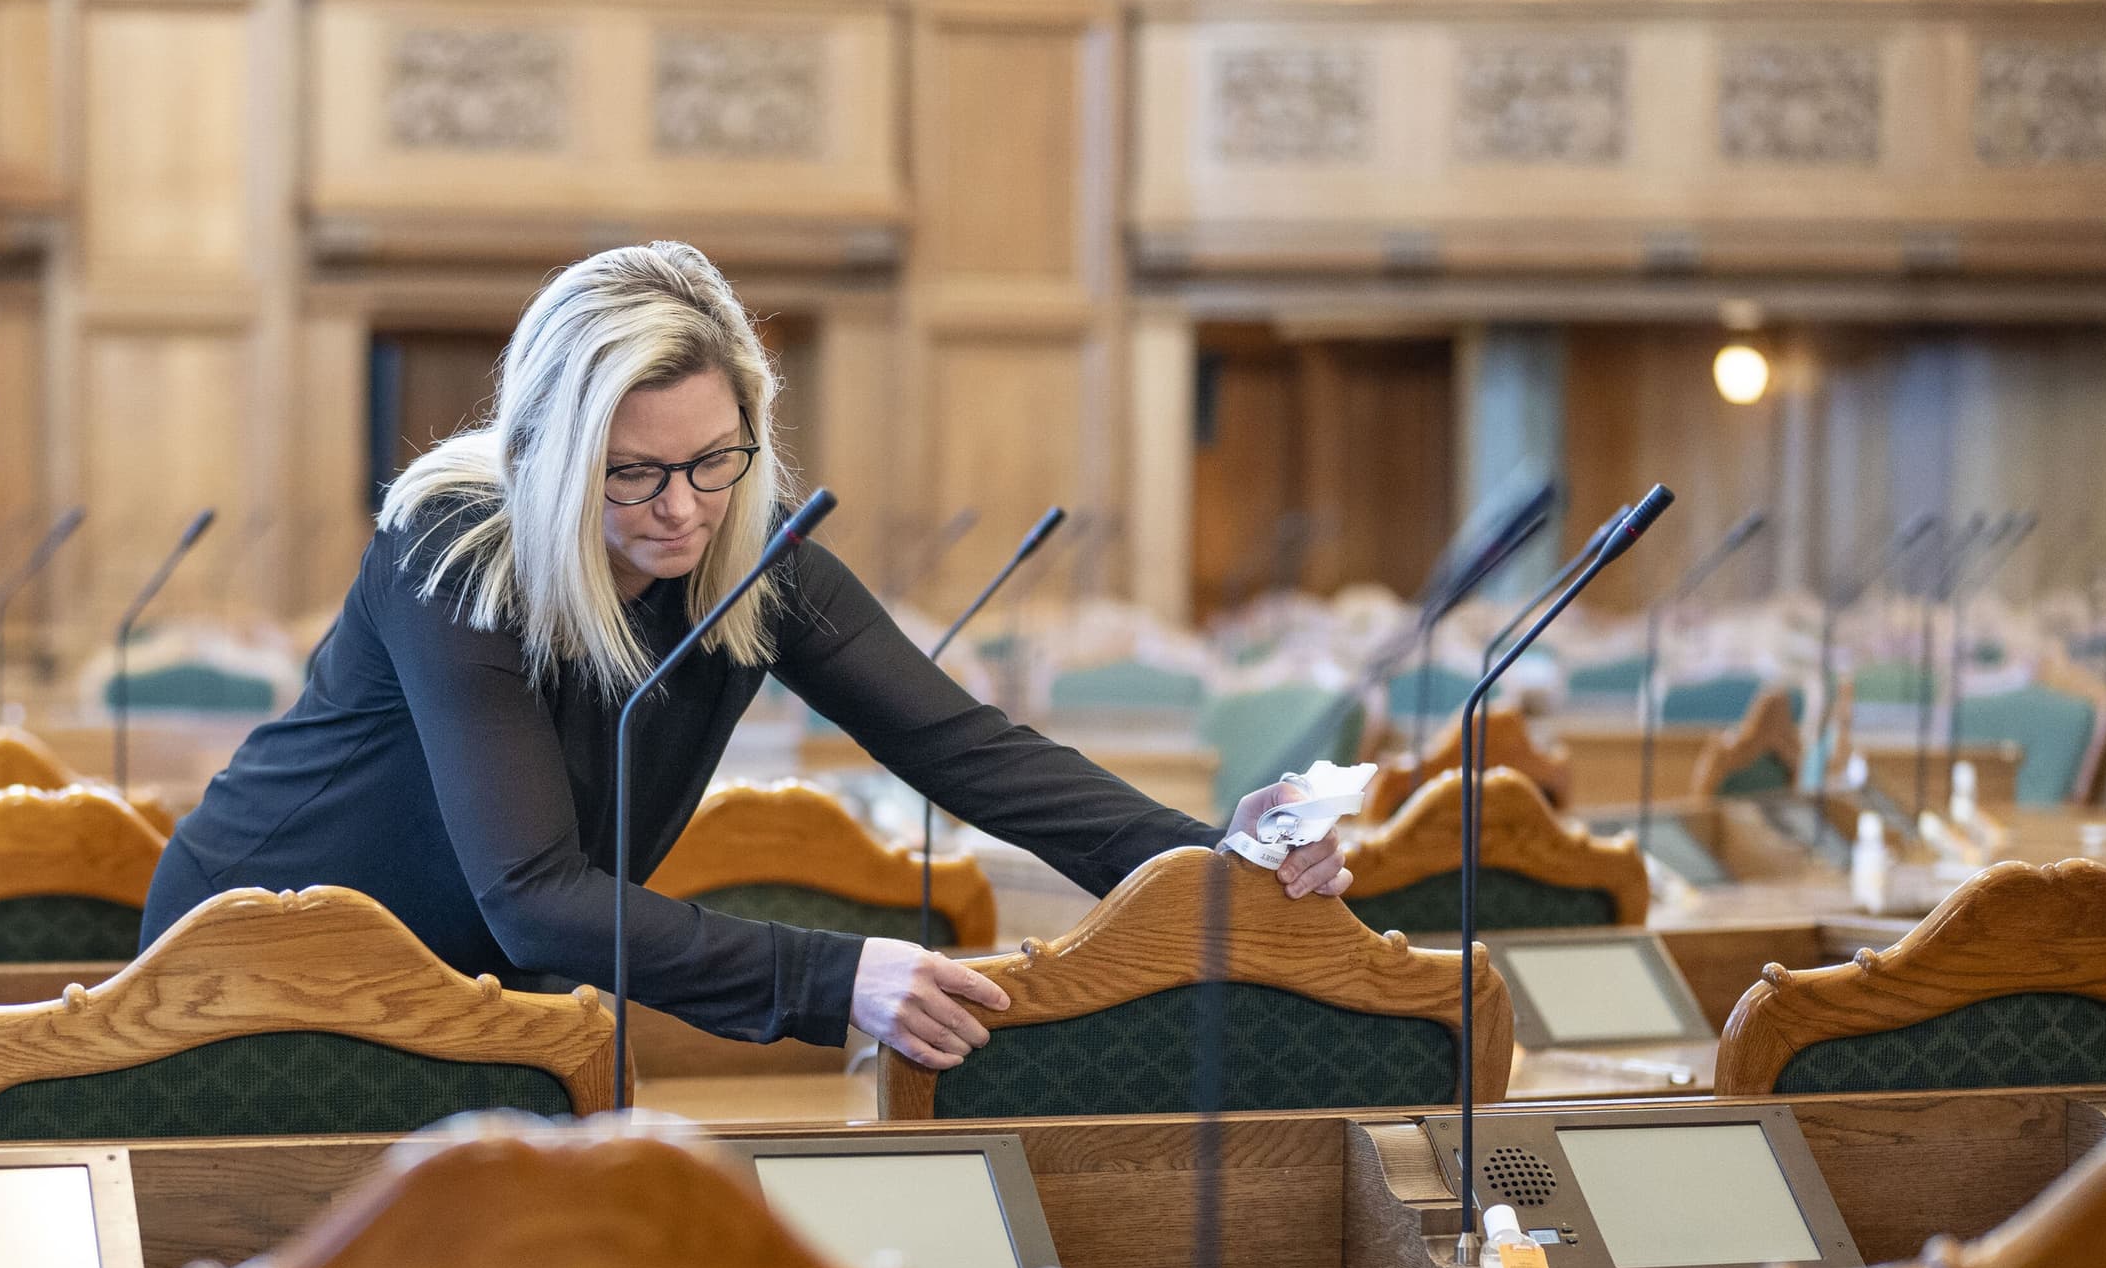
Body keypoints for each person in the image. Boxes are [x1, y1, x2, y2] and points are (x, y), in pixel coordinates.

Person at [137, 242, 1350, 1070]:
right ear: (551, 456)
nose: (683, 507)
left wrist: (1218, 861)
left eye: (716, 458)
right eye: (635, 472)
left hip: (478, 1003)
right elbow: (535, 897)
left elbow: (969, 750)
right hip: (255, 960)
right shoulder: (452, 556)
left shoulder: (755, 562)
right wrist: (842, 979)